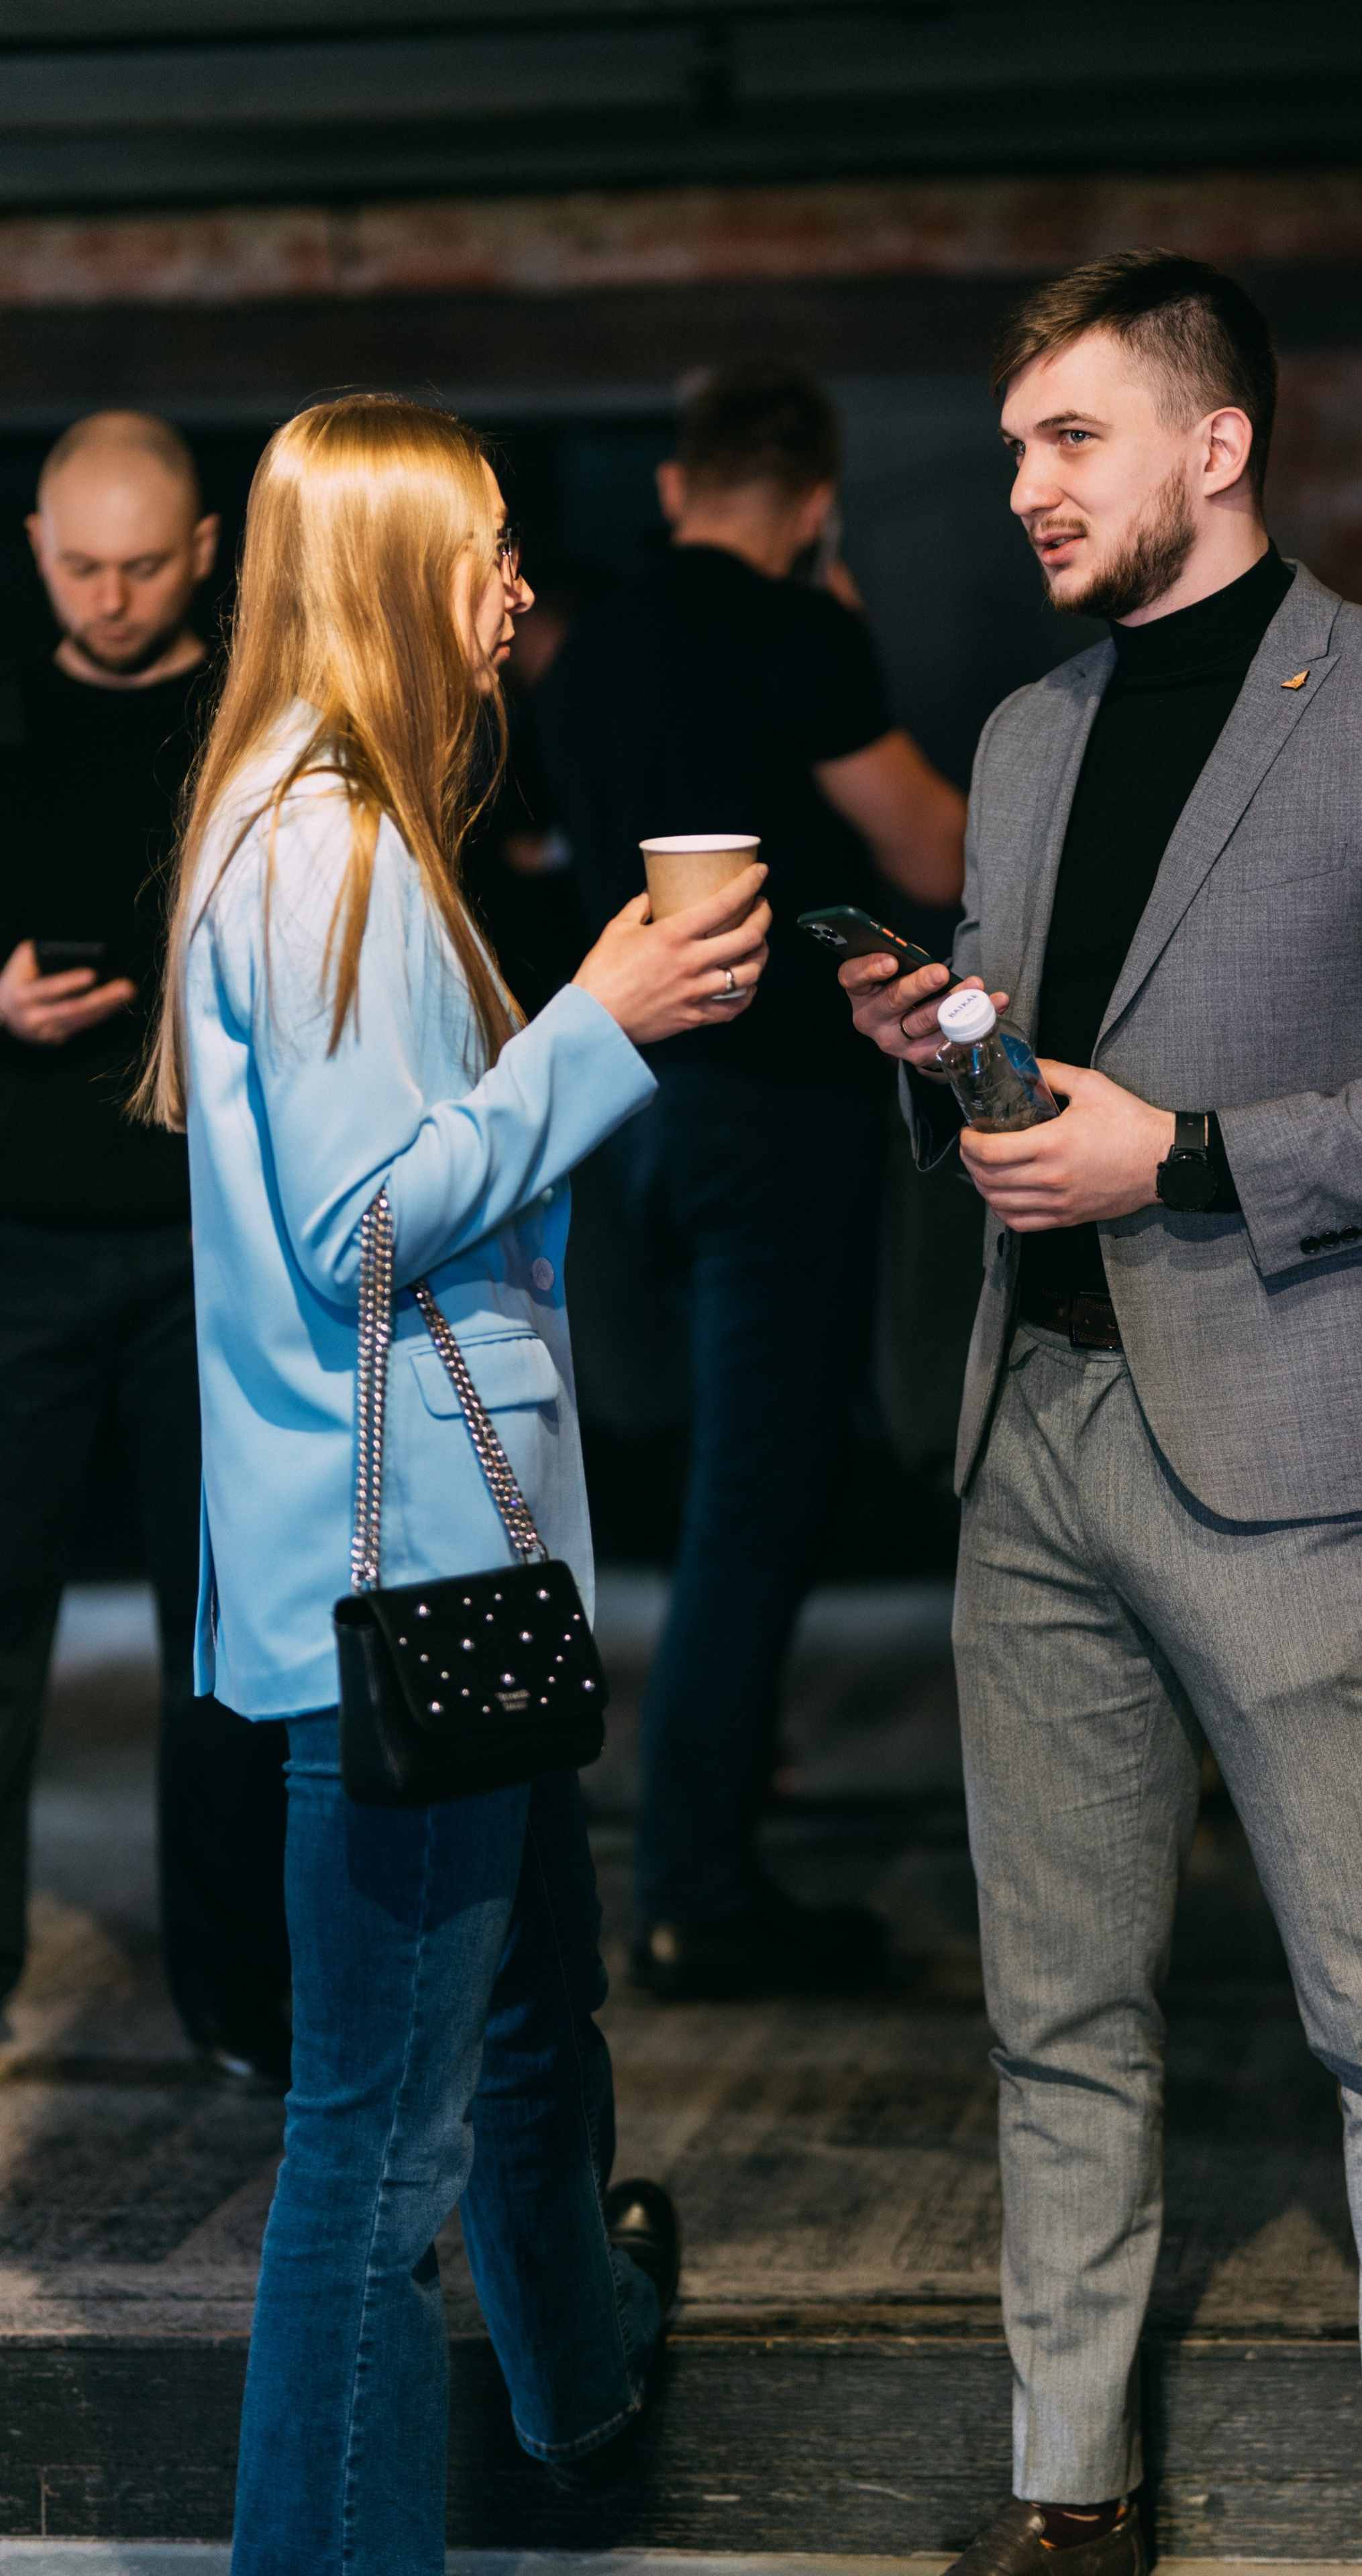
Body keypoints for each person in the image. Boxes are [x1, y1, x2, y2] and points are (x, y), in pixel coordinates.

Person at [840, 253, 1362, 2576]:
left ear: (1217, 442)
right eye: (1016, 446)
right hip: (1038, 1436)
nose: (1025, 485)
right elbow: (1036, 1079)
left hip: (1313, 1463)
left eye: (1071, 437)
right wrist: (941, 1061)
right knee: (1058, 2018)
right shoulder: (1033, 731)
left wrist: (1178, 1153)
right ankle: (1073, 2500)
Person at [138, 392, 771, 2573]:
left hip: (399, 1562)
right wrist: (605, 1018)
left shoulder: (304, 817)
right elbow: (366, 1226)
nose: (518, 582)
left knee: (499, 2028)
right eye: (486, 545)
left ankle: (579, 2369)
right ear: (399, 573)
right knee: (371, 2159)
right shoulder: (328, 842)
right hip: (400, 1578)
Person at [538, 363, 967, 2000]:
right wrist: (841, 624)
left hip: (620, 1103)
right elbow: (929, 851)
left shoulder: (591, 646)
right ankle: (697, 1888)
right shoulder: (799, 632)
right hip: (769, 1115)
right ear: (815, 501)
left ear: (675, 487)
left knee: (689, 1479)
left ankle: (700, 1824)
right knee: (756, 1498)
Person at [0, 409, 293, 2079]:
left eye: (140, 568)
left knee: (226, 1636)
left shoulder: (256, 723)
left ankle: (237, 1997)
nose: (109, 599)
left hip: (209, 1241)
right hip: (16, 1237)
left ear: (203, 554)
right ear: (38, 547)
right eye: (80, 567)